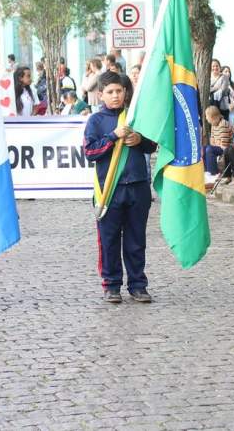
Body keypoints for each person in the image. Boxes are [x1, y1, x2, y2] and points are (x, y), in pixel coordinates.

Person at [84, 71, 157, 303]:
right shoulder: (95, 121)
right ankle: (111, 285)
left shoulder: (135, 117)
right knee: (109, 240)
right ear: (100, 94)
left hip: (137, 186)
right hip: (109, 189)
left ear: (126, 92)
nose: (115, 96)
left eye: (119, 91)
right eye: (110, 92)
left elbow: (152, 145)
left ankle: (138, 285)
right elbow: (90, 152)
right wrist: (112, 136)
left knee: (136, 240)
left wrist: (139, 140)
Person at [203, 105, 234, 184]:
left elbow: (224, 144)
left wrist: (214, 146)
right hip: (219, 146)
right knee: (204, 149)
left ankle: (213, 174)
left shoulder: (223, 124)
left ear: (213, 117)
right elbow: (212, 140)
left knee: (209, 149)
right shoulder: (214, 125)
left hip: (226, 148)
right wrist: (213, 145)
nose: (206, 119)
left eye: (207, 117)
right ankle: (208, 172)